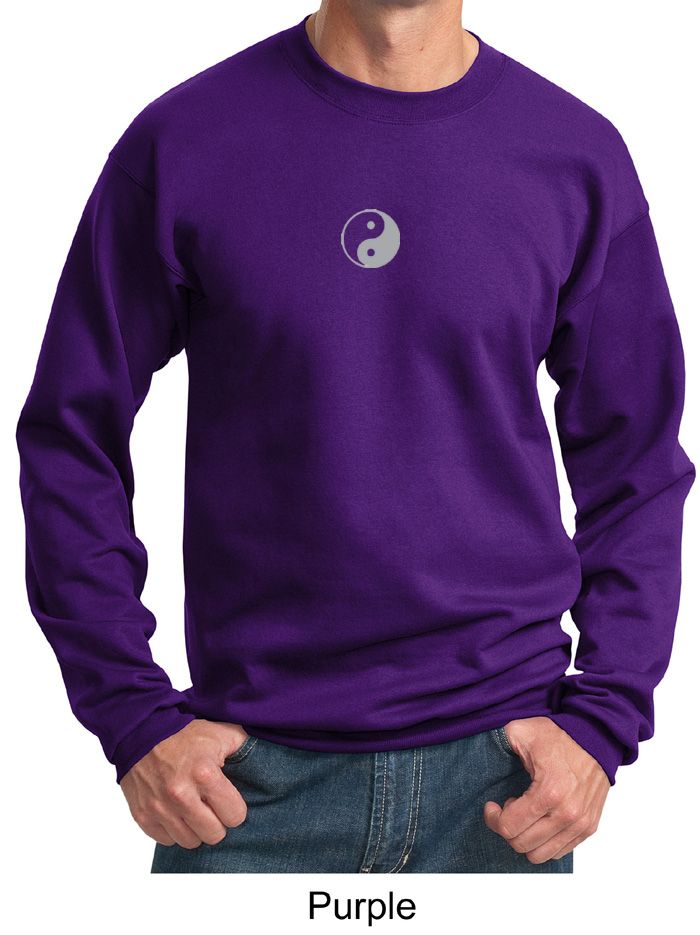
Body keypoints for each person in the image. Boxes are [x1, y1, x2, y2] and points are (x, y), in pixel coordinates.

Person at [16, 0, 695, 874]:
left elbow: (636, 459)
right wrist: (131, 715)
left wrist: (602, 721)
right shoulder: (186, 141)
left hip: (502, 786)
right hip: (245, 792)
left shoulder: (575, 156)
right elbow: (71, 433)